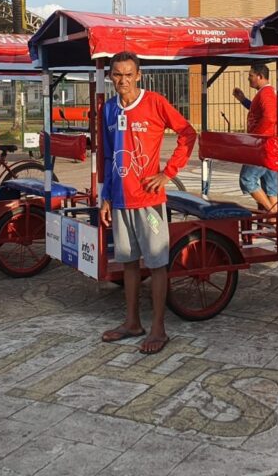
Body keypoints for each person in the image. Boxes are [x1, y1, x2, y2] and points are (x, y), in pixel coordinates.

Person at [100, 51, 197, 355]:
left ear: (139, 75)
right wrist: (105, 197)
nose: (123, 80)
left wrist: (168, 173)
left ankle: (158, 328)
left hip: (150, 202)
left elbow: (187, 133)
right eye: (117, 74)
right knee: (128, 263)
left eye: (129, 74)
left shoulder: (154, 103)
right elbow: (107, 155)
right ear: (111, 76)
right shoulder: (108, 109)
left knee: (156, 264)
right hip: (119, 201)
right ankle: (132, 322)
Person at [232, 63, 278, 211]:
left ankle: (272, 214)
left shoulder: (266, 93)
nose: (248, 78)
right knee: (270, 187)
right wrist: (243, 100)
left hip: (263, 146)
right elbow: (258, 110)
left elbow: (270, 118)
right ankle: (276, 223)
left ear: (260, 76)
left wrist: (256, 137)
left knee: (247, 179)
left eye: (251, 75)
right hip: (270, 146)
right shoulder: (264, 93)